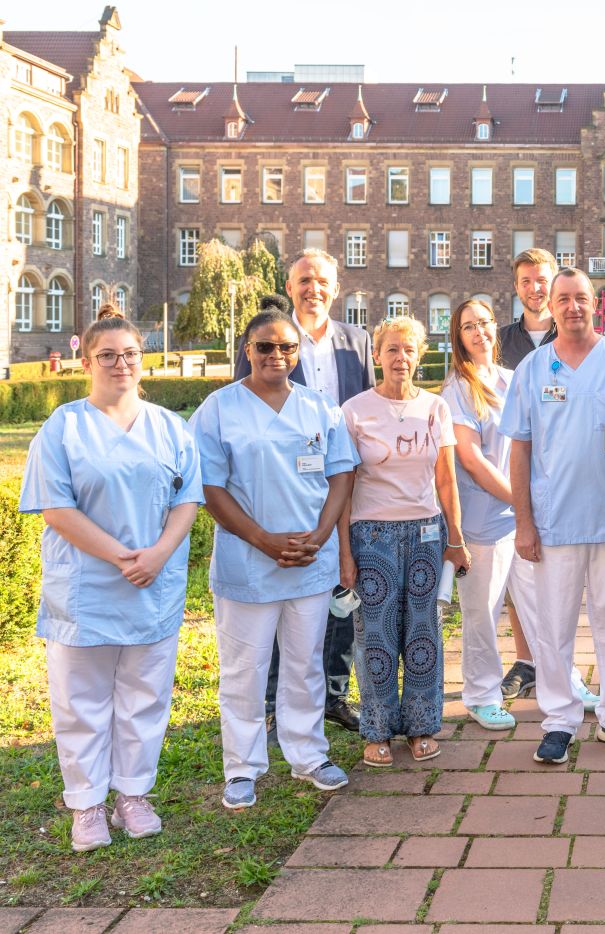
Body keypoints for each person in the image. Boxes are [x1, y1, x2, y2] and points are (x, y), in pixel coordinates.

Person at [20, 317, 202, 851]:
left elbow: (186, 498)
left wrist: (160, 554)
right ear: (87, 362)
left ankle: (133, 795)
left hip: (152, 582)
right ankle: (86, 804)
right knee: (81, 701)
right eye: (108, 355)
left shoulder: (170, 426)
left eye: (130, 354)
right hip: (87, 588)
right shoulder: (64, 427)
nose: (121, 364)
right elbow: (56, 508)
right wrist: (125, 558)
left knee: (145, 695)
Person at [192, 308, 358, 809]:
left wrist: (321, 537)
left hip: (310, 560)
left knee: (305, 664)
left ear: (298, 352)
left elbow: (341, 475)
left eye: (287, 347)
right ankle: (242, 768)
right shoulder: (219, 409)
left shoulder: (319, 407)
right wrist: (263, 540)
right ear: (248, 350)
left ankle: (309, 755)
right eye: (266, 347)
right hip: (249, 562)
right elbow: (210, 487)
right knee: (245, 668)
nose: (277, 355)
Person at [500, 267, 605, 764]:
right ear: (553, 305)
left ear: (596, 302)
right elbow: (518, 451)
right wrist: (523, 522)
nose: (572, 307)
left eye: (581, 298)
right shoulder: (534, 370)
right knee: (554, 626)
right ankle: (560, 719)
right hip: (553, 522)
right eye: (563, 299)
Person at [235, 249, 375, 738]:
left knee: (340, 585)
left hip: (340, 480)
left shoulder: (357, 341)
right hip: (280, 484)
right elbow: (244, 404)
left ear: (336, 287)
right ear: (290, 286)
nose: (313, 287)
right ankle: (277, 702)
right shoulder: (267, 335)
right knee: (284, 589)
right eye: (304, 280)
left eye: (322, 280)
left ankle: (333, 695)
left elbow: (368, 406)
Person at [340, 316, 469, 766]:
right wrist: (344, 552)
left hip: (425, 534)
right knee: (374, 634)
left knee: (423, 632)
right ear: (377, 355)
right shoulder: (354, 411)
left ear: (420, 355)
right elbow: (343, 486)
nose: (401, 358)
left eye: (409, 349)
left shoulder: (435, 408)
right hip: (370, 534)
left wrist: (456, 538)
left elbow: (447, 481)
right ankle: (376, 728)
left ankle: (421, 727)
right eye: (392, 349)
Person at [493, 249, 596, 708]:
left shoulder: (577, 334)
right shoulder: (499, 340)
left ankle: (564, 666)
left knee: (568, 580)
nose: (536, 289)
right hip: (514, 461)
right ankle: (526, 659)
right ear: (517, 287)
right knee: (524, 571)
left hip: (570, 471)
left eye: (543, 281)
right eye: (527, 281)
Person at [442, 299, 522, 731]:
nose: (478, 332)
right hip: (483, 521)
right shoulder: (457, 388)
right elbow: (471, 459)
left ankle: (562, 682)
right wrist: (519, 500)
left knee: (542, 608)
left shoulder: (512, 379)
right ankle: (481, 695)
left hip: (522, 517)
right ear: (459, 337)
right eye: (468, 326)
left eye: (484, 323)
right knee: (483, 613)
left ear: (496, 328)